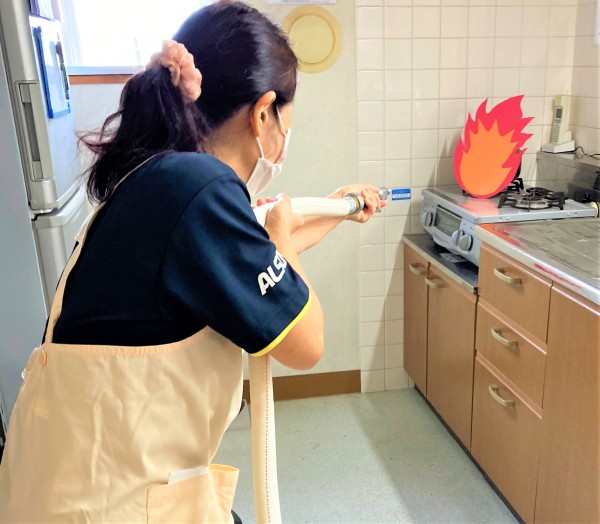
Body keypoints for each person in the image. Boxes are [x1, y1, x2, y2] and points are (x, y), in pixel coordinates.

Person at [0, 2, 385, 522]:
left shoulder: (166, 179)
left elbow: (258, 259)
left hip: (72, 482)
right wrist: (282, 234)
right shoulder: (200, 189)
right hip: (106, 504)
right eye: (287, 121)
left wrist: (339, 209)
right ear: (263, 113)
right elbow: (306, 339)